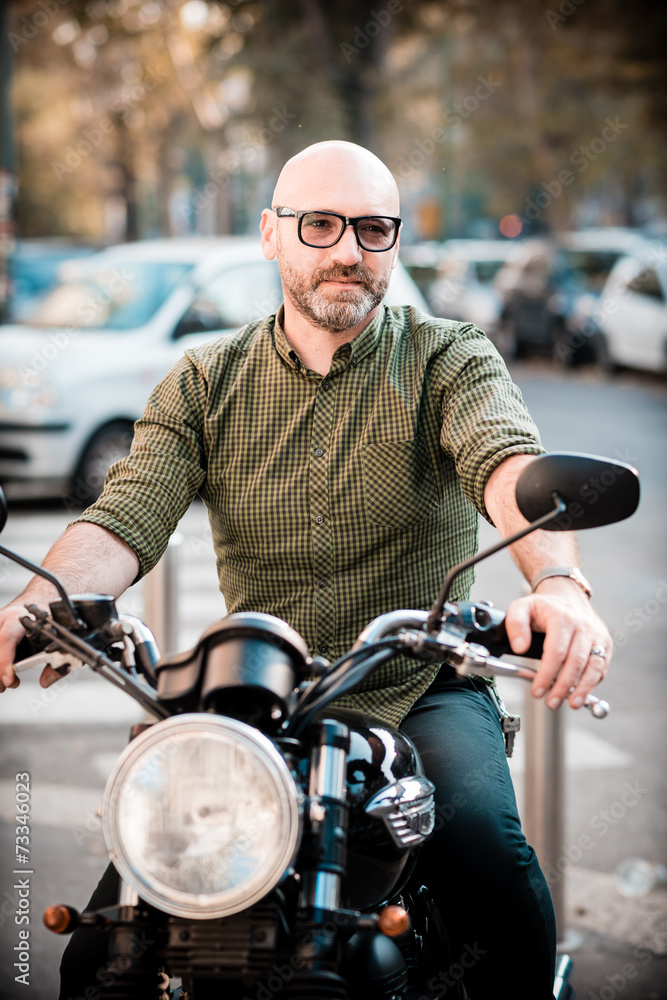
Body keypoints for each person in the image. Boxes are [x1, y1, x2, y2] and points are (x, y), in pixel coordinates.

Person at [0, 141, 612, 998]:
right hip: (253, 698)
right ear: (270, 234)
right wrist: (37, 603)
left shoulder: (449, 358)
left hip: (416, 682)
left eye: (371, 228)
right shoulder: (205, 379)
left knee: (485, 850)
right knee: (106, 953)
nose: (346, 249)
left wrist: (558, 585)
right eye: (319, 224)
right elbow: (126, 514)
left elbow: (508, 466)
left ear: (393, 242)